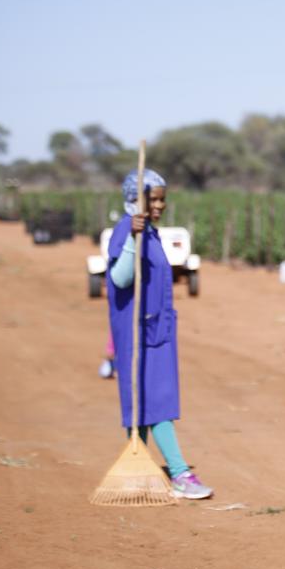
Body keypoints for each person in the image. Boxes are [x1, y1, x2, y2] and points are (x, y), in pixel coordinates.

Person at [106, 169, 213, 499]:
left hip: (157, 329)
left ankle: (136, 465)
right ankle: (179, 472)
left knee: (147, 400)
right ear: (133, 199)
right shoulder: (128, 230)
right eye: (153, 199)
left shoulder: (150, 232)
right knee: (153, 401)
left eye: (162, 199)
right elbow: (121, 279)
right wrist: (131, 240)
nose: (160, 205)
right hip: (137, 332)